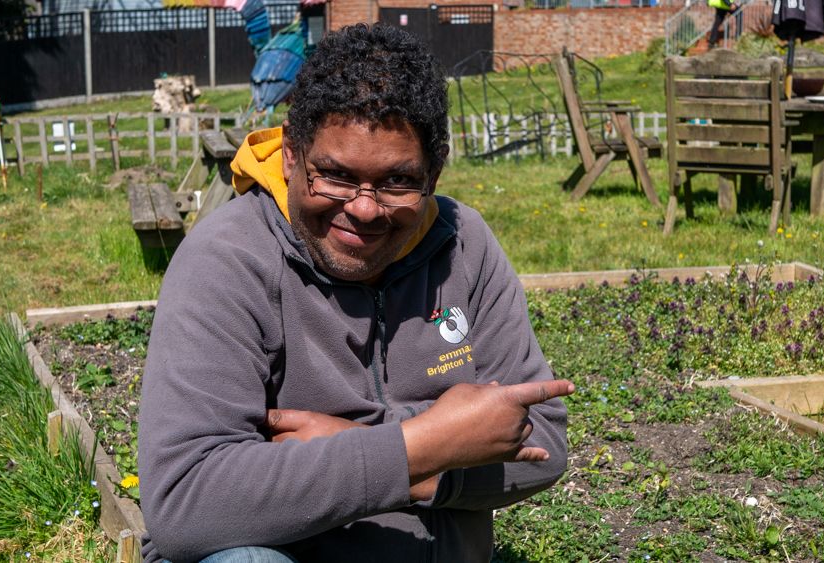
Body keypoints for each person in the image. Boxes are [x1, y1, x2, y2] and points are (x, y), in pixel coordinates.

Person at [138, 23, 573, 563]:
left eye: (396, 181)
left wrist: (407, 463)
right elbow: (187, 501)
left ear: (433, 173)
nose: (364, 208)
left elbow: (544, 443)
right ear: (292, 157)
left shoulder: (464, 245)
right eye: (336, 176)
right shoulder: (226, 260)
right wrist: (431, 443)